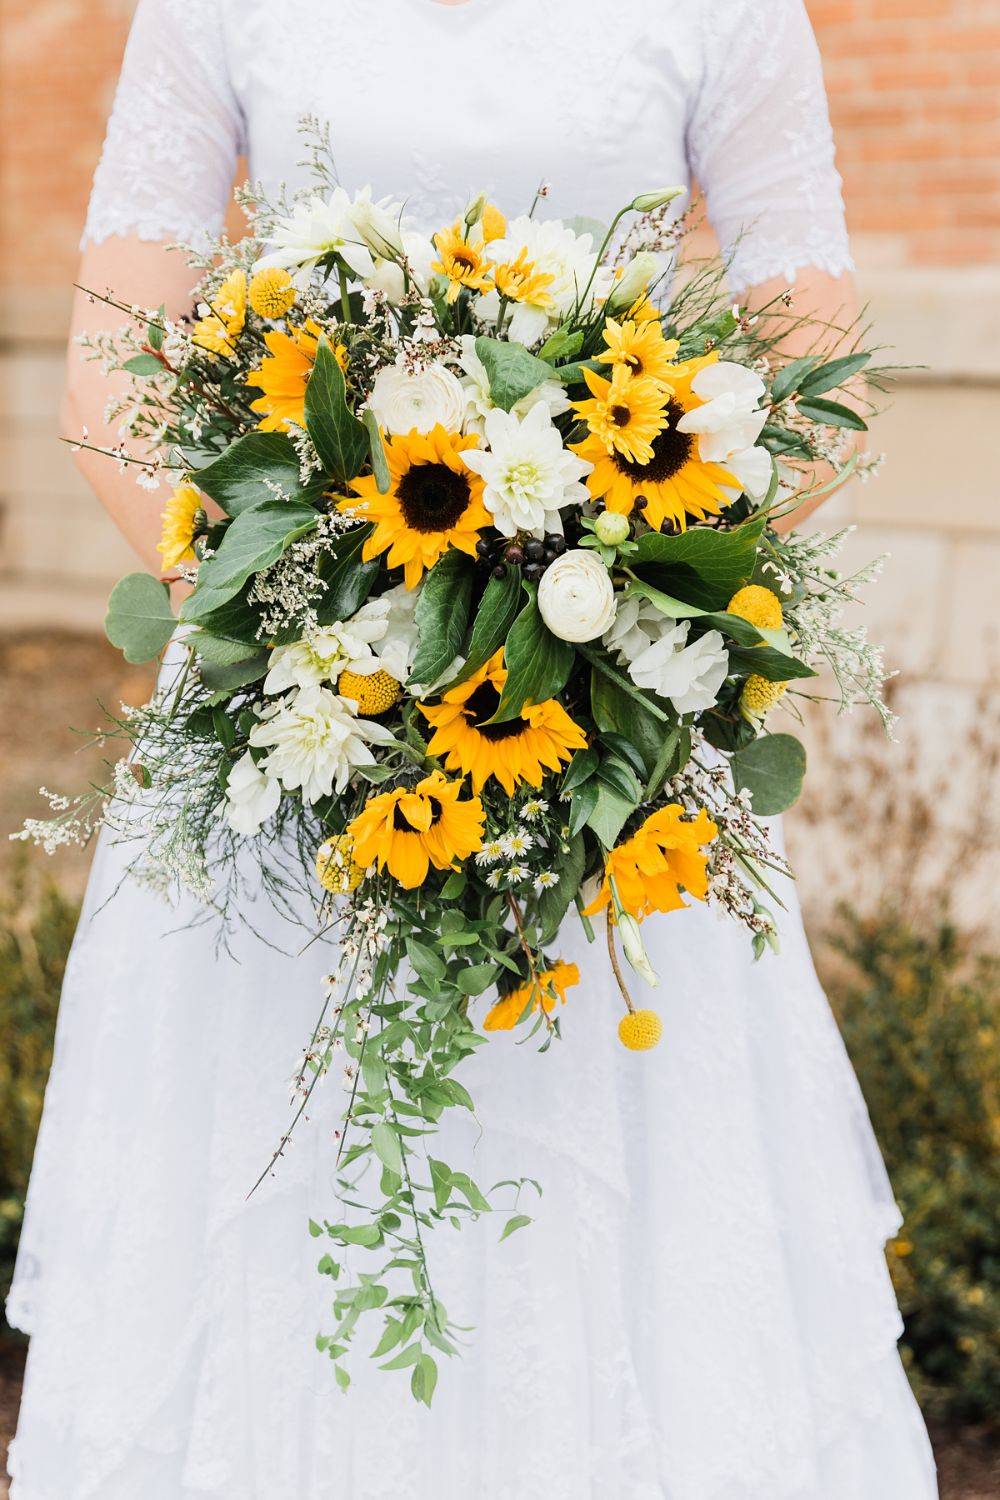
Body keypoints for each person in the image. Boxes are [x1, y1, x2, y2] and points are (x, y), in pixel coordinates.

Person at [7, 2, 939, 1496]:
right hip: (288, 726)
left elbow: (812, 355)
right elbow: (110, 378)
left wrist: (608, 593)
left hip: (609, 722)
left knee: (614, 1192)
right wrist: (304, 623)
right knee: (275, 1192)